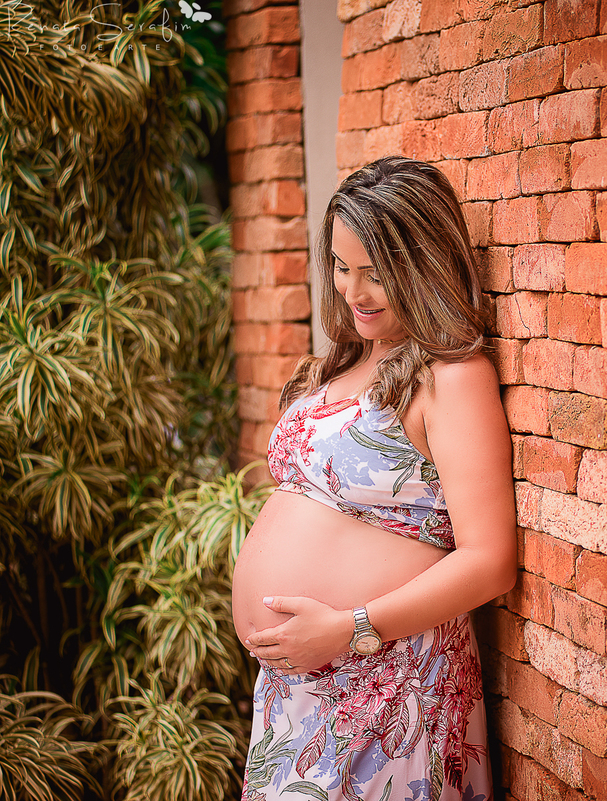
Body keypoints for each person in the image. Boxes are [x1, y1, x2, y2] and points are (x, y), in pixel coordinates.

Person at [231, 156, 517, 801]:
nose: (353, 292)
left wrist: (350, 628)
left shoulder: (450, 375)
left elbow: (489, 560)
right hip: (299, 690)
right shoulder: (346, 364)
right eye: (340, 267)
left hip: (389, 685)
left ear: (422, 263)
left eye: (375, 273)